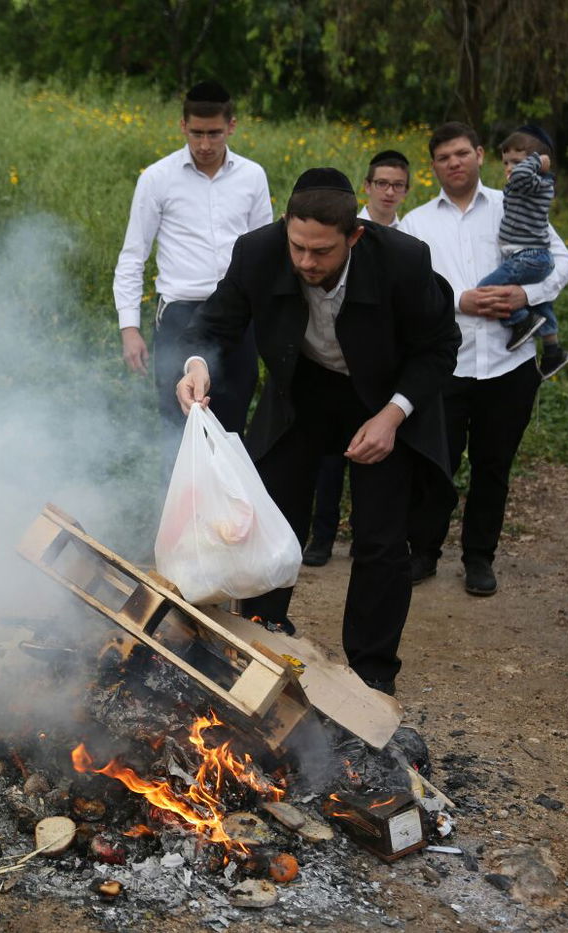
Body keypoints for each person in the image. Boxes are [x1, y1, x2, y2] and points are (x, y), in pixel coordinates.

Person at [175, 168, 460, 695]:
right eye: (298, 247)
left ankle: (372, 674)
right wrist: (197, 366)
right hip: (301, 391)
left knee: (379, 538)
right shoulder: (257, 251)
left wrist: (394, 414)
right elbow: (214, 324)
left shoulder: (403, 260)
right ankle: (260, 639)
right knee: (265, 519)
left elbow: (440, 346)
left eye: (321, 252)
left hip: (384, 395)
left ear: (355, 236)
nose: (306, 262)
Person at [401, 122, 568, 597]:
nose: (454, 163)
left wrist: (526, 291)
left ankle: (479, 559)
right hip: (446, 367)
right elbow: (409, 291)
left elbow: (564, 261)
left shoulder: (512, 203)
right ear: (433, 166)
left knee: (493, 467)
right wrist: (461, 301)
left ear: (479, 154)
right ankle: (424, 553)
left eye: (462, 153)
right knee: (436, 465)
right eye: (443, 157)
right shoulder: (417, 223)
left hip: (509, 362)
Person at [113, 80, 271, 467]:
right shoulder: (157, 178)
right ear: (182, 126)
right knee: (177, 428)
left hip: (236, 316)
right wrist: (129, 329)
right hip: (180, 315)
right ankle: (181, 523)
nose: (204, 144)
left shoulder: (252, 177)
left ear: (231, 126)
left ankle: (228, 525)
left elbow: (265, 255)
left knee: (231, 430)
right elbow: (134, 255)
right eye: (197, 133)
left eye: (214, 133)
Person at [305, 149, 414, 566]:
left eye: (397, 185)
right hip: (330, 373)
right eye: (381, 183)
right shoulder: (327, 229)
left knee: (376, 463)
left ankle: (372, 542)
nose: (389, 191)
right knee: (330, 460)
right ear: (366, 187)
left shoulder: (411, 243)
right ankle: (322, 534)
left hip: (381, 375)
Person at [481, 126, 568, 377]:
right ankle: (553, 351)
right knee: (542, 305)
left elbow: (523, 174)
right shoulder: (531, 185)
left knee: (484, 290)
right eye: (506, 163)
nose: (509, 168)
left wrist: (537, 161)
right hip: (534, 257)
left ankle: (521, 321)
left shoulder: (532, 182)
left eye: (516, 162)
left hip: (528, 257)